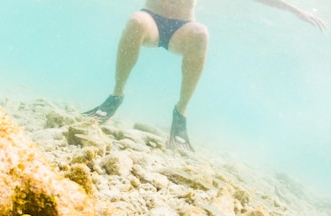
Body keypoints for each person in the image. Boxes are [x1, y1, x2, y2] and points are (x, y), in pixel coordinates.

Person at [83, 0, 327, 151]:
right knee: (135, 20)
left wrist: (296, 10)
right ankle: (116, 95)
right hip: (150, 21)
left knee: (201, 32)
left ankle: (181, 113)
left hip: (183, 29)